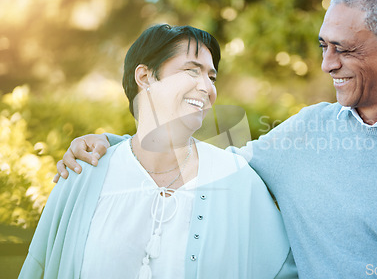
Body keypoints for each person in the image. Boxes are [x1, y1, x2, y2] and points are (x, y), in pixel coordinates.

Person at [56, 0, 377, 278]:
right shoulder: (306, 131)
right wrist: (115, 146)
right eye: (324, 47)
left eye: (343, 50)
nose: (328, 65)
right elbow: (211, 165)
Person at [20, 24, 297, 279]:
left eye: (211, 76)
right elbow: (39, 267)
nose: (207, 87)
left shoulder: (235, 179)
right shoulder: (83, 173)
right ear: (145, 76)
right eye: (191, 70)